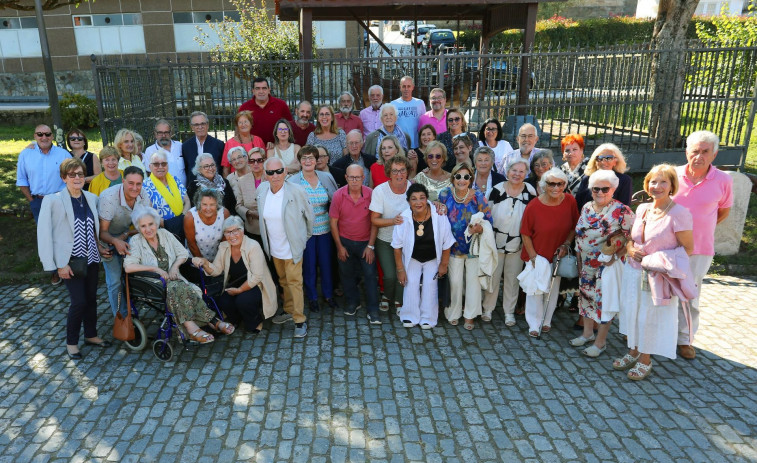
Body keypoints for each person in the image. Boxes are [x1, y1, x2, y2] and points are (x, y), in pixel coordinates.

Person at [616, 164, 694, 380]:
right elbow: (632, 239)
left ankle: (645, 359)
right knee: (632, 311)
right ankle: (633, 350)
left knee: (649, 316)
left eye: (662, 182)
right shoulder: (642, 209)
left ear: (671, 186)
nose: (656, 186)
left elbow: (688, 248)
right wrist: (630, 249)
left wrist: (657, 259)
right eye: (653, 181)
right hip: (633, 271)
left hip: (658, 275)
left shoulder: (680, 213)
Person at [124, 206, 235, 344]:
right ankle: (201, 324)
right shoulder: (136, 241)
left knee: (182, 287)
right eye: (143, 226)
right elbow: (128, 267)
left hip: (174, 278)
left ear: (156, 223)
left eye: (151, 224)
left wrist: (175, 267)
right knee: (178, 288)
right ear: (138, 228)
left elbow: (182, 253)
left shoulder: (165, 234)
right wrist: (156, 270)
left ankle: (202, 325)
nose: (148, 229)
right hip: (154, 284)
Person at [38, 157, 110, 360]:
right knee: (78, 302)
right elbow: (44, 235)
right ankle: (71, 343)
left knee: (91, 300)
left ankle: (91, 335)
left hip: (92, 259)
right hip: (69, 262)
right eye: (72, 174)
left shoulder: (90, 198)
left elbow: (92, 229)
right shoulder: (52, 201)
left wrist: (99, 247)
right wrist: (57, 266)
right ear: (64, 178)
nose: (77, 177)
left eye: (80, 174)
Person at [672, 131, 733, 359]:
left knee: (690, 295)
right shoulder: (673, 175)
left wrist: (699, 228)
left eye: (705, 151)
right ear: (687, 152)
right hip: (669, 245)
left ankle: (685, 339)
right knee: (663, 292)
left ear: (714, 154)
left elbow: (723, 211)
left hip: (700, 248)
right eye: (695, 151)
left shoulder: (723, 180)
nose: (699, 156)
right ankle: (662, 334)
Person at [572, 170, 634, 357]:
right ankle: (587, 334)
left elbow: (632, 239)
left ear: (613, 189)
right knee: (586, 297)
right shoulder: (587, 207)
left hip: (607, 265)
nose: (599, 192)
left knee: (604, 302)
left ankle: (600, 343)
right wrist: (579, 259)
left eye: (604, 189)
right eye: (595, 188)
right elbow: (580, 234)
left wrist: (617, 257)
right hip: (586, 263)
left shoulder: (622, 211)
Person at [257, 157, 313, 338]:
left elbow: (309, 217)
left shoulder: (297, 191)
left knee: (295, 282)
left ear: (286, 171)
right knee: (283, 280)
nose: (275, 176)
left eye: (279, 171)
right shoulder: (262, 190)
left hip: (292, 246)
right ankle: (289, 310)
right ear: (265, 175)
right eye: (271, 172)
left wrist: (303, 239)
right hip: (274, 247)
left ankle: (299, 320)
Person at [520, 167, 578, 337]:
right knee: (535, 290)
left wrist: (567, 244)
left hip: (557, 254)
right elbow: (525, 233)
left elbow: (575, 225)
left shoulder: (569, 201)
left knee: (552, 289)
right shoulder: (534, 206)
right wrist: (532, 256)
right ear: (544, 185)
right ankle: (533, 323)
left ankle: (546, 320)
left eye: (560, 184)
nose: (556, 188)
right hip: (537, 253)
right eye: (551, 184)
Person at [193, 216, 277, 334]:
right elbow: (216, 270)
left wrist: (239, 290)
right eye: (228, 232)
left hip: (256, 284)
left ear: (242, 230)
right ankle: (237, 319)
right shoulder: (224, 246)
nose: (232, 236)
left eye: (235, 231)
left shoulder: (253, 246)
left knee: (243, 300)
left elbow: (256, 277)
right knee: (224, 301)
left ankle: (256, 321)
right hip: (236, 282)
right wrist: (205, 263)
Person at [438, 162, 493, 330]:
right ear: (453, 178)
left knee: (473, 283)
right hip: (452, 247)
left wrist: (479, 228)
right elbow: (437, 212)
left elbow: (489, 221)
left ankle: (470, 315)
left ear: (471, 179)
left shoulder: (478, 196)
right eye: (458, 176)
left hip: (472, 247)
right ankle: (452, 312)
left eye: (466, 177)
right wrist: (435, 204)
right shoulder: (445, 194)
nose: (462, 180)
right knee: (454, 282)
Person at [392, 183, 454, 329]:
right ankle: (409, 315)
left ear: (427, 199)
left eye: (422, 198)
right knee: (411, 284)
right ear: (408, 202)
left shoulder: (439, 216)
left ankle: (428, 317)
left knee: (430, 286)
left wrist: (443, 265)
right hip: (412, 258)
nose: (418, 202)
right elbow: (397, 246)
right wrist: (400, 270)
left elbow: (447, 242)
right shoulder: (403, 218)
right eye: (414, 199)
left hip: (433, 258)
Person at [483, 159, 536, 325]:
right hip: (495, 242)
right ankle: (488, 309)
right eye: (514, 170)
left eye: (521, 171)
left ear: (526, 174)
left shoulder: (530, 191)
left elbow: (534, 217)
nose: (517, 174)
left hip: (518, 243)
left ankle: (509, 312)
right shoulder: (496, 190)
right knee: (493, 276)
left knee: (512, 279)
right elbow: (485, 214)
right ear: (507, 171)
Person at [288, 145, 339, 313]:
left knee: (326, 264)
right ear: (300, 161)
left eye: (311, 158)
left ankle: (328, 295)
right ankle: (312, 298)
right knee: (309, 266)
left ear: (316, 160)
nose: (308, 161)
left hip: (325, 228)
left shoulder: (326, 177)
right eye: (304, 158)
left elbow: (335, 199)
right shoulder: (294, 181)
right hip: (305, 230)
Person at [98, 166, 152, 317]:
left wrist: (127, 234)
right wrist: (116, 241)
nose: (135, 188)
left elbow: (147, 224)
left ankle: (135, 306)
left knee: (135, 273)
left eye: (138, 184)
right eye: (131, 183)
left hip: (129, 233)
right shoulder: (108, 198)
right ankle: (121, 318)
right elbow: (102, 232)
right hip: (107, 237)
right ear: (123, 181)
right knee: (114, 280)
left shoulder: (144, 195)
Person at [330, 164, 381, 323]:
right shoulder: (338, 195)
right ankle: (353, 302)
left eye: (357, 177)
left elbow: (375, 222)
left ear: (363, 178)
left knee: (370, 275)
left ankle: (373, 309)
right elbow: (333, 223)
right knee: (346, 274)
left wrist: (371, 246)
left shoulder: (371, 194)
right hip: (345, 241)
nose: (354, 180)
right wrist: (339, 247)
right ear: (346, 178)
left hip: (366, 242)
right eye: (351, 177)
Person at [370, 155, 413, 315]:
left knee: (403, 272)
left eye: (402, 170)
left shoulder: (413, 188)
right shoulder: (380, 190)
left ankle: (398, 299)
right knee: (389, 275)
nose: (399, 174)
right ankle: (387, 295)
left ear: (407, 171)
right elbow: (374, 220)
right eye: (395, 171)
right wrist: (393, 221)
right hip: (385, 239)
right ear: (389, 172)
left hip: (407, 241)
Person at [16, 124, 71, 224]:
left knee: (63, 233)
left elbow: (71, 178)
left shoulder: (64, 154)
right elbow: (21, 179)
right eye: (40, 134)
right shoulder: (25, 154)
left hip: (61, 200)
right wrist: (32, 201)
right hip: (37, 201)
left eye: (47, 134)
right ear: (35, 136)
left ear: (52, 136)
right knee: (44, 235)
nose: (44, 137)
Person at [142, 150, 190, 242]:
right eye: (156, 164)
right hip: (161, 230)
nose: (160, 167)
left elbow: (187, 201)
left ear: (167, 166)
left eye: (163, 164)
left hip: (182, 227)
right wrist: (167, 224)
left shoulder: (175, 180)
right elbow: (148, 211)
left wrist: (181, 220)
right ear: (150, 167)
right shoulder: (145, 186)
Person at [574, 143, 632, 213]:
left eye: (609, 158)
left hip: (613, 221)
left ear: (615, 162)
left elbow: (624, 207)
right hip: (587, 220)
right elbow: (578, 205)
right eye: (600, 158)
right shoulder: (587, 179)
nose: (604, 162)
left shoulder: (624, 180)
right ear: (595, 161)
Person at [238, 77, 293, 145]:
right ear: (253, 91)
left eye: (264, 88)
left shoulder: (281, 105)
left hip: (276, 148)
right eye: (257, 88)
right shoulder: (245, 107)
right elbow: (238, 129)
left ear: (269, 90)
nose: (261, 91)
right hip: (253, 150)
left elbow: (290, 127)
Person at [184, 188, 231, 262]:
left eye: (212, 204)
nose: (208, 208)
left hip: (219, 258)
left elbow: (225, 240)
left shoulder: (224, 214)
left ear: (217, 204)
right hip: (196, 259)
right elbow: (191, 244)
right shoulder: (190, 217)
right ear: (199, 203)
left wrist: (218, 262)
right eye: (204, 204)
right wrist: (204, 264)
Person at [227, 147, 263, 243]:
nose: (237, 161)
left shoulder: (257, 170)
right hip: (248, 221)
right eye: (234, 159)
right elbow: (236, 204)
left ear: (246, 157)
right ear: (230, 162)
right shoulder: (229, 179)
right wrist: (249, 213)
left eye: (240, 157)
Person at [182, 111, 225, 186]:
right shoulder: (186, 146)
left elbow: (222, 169)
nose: (200, 127)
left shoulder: (219, 145)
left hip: (215, 187)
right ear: (192, 127)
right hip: (194, 188)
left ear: (207, 125)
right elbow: (186, 169)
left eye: (203, 124)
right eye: (196, 125)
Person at [221, 111, 265, 177]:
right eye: (240, 122)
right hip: (237, 181)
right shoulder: (230, 143)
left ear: (251, 123)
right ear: (237, 126)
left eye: (245, 121)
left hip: (258, 179)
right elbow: (226, 168)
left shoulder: (258, 140)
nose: (243, 124)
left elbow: (264, 162)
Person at [144, 119, 186, 186]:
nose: (163, 136)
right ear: (155, 134)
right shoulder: (150, 151)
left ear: (171, 133)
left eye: (166, 132)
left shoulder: (180, 146)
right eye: (160, 133)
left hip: (184, 192)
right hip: (163, 193)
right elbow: (149, 174)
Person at [391, 76, 427, 148]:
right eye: (404, 86)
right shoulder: (393, 104)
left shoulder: (420, 103)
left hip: (416, 144)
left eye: (408, 86)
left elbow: (424, 124)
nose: (406, 89)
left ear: (412, 87)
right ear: (400, 87)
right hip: (399, 146)